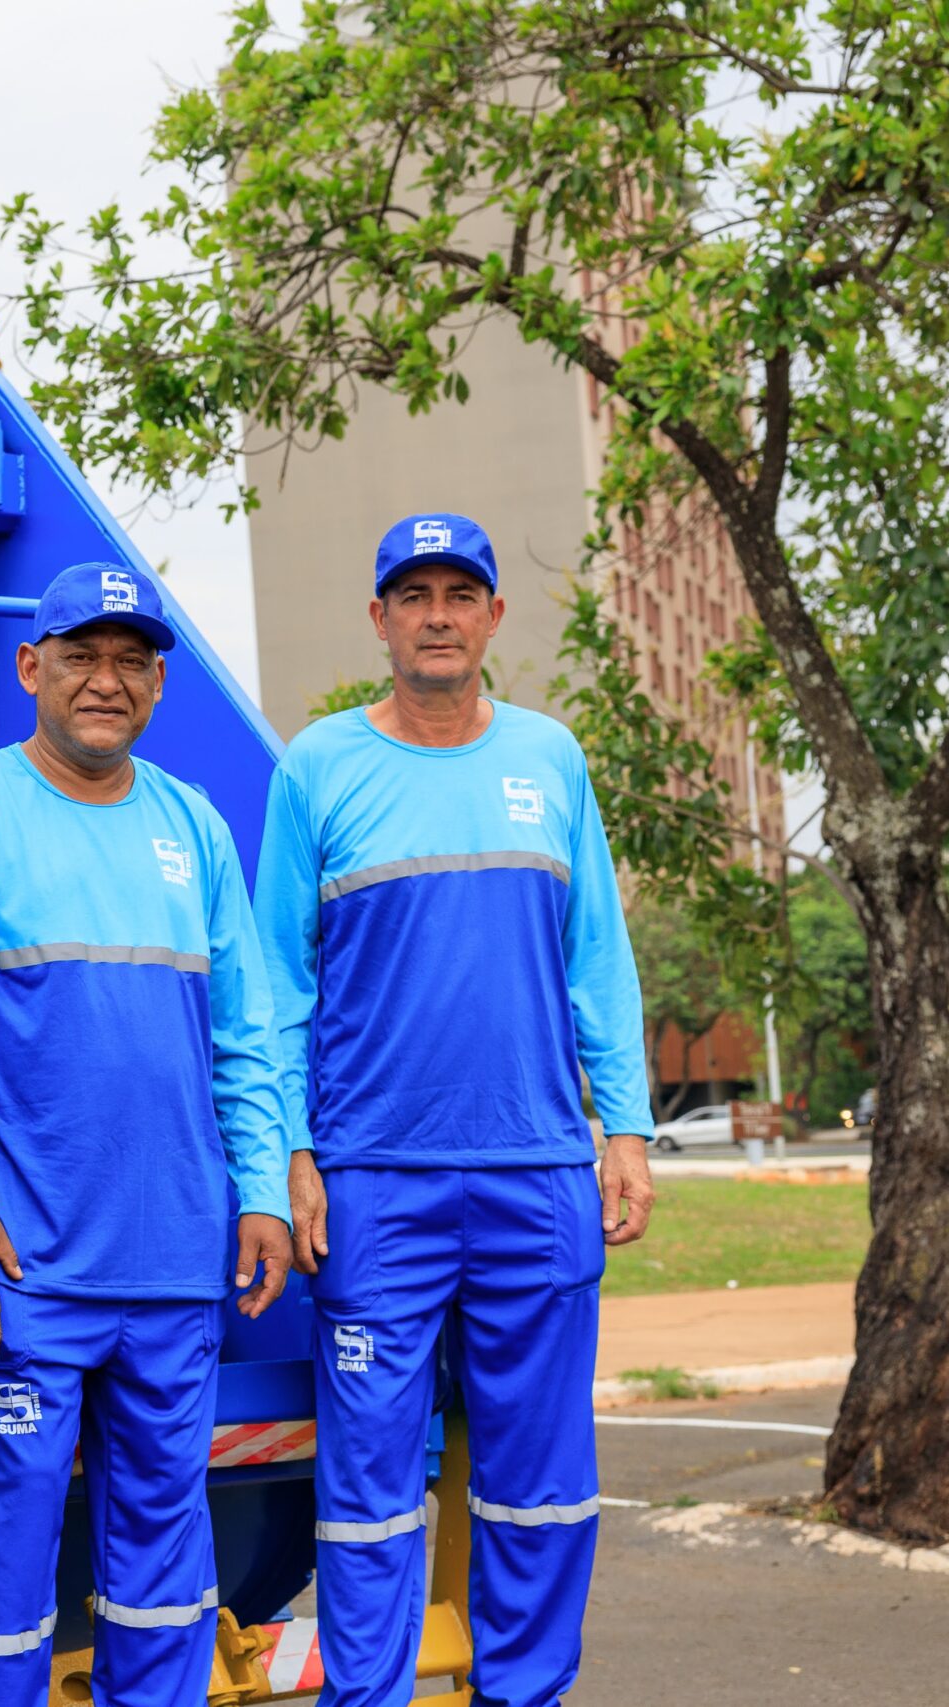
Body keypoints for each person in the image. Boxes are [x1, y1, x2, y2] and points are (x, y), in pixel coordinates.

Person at [254, 513, 657, 1707]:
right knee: (371, 1489)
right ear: (378, 619)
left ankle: (523, 1691)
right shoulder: (318, 768)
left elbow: (598, 959)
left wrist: (622, 1129)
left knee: (540, 1483)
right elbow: (278, 983)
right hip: (376, 1183)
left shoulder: (552, 759)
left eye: (458, 593)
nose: (436, 613)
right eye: (412, 594)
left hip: (535, 1176)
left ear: (491, 614)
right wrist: (291, 1148)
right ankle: (367, 1695)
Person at [0, 561, 294, 1707]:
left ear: (159, 686)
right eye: (81, 654)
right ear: (32, 667)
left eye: (132, 660)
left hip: (174, 1270)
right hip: (32, 1280)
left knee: (164, 1570)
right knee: (7, 1574)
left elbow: (243, 1037)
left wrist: (259, 1189)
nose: (106, 680)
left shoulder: (194, 829)